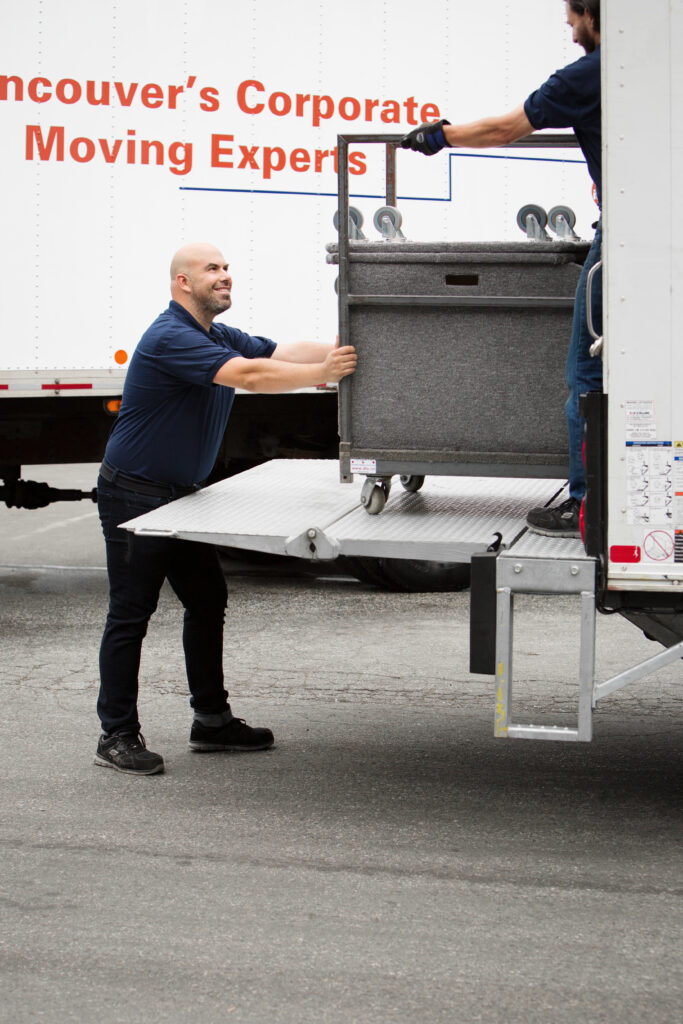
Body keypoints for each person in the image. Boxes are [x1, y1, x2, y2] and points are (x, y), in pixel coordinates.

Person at [95, 242, 357, 775]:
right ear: (182, 284)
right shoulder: (172, 337)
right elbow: (253, 378)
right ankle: (116, 735)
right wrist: (324, 371)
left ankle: (210, 720)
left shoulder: (215, 334)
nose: (225, 276)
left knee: (207, 598)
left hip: (182, 493)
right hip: (134, 493)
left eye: (227, 268)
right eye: (212, 269)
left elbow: (281, 352)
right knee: (131, 614)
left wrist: (343, 348)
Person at [401, 0, 602, 538]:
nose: (566, 24)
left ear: (591, 12)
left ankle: (585, 505)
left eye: (571, 14)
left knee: (589, 374)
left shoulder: (590, 74)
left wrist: (439, 135)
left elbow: (505, 128)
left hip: (627, 237)